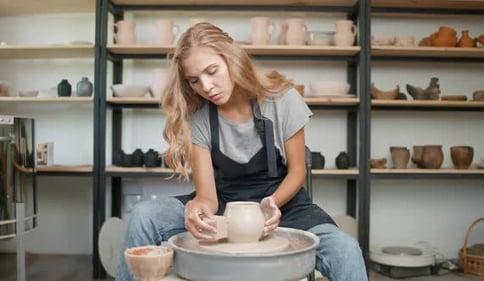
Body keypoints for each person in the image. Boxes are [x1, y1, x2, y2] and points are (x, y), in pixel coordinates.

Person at [117, 22, 368, 281]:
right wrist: (196, 207)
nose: (206, 86)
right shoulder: (200, 119)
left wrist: (270, 205)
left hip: (284, 208)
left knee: (345, 249)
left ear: (232, 59)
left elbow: (297, 171)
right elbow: (208, 199)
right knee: (144, 215)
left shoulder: (281, 99)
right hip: (225, 209)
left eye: (212, 71)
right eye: (195, 80)